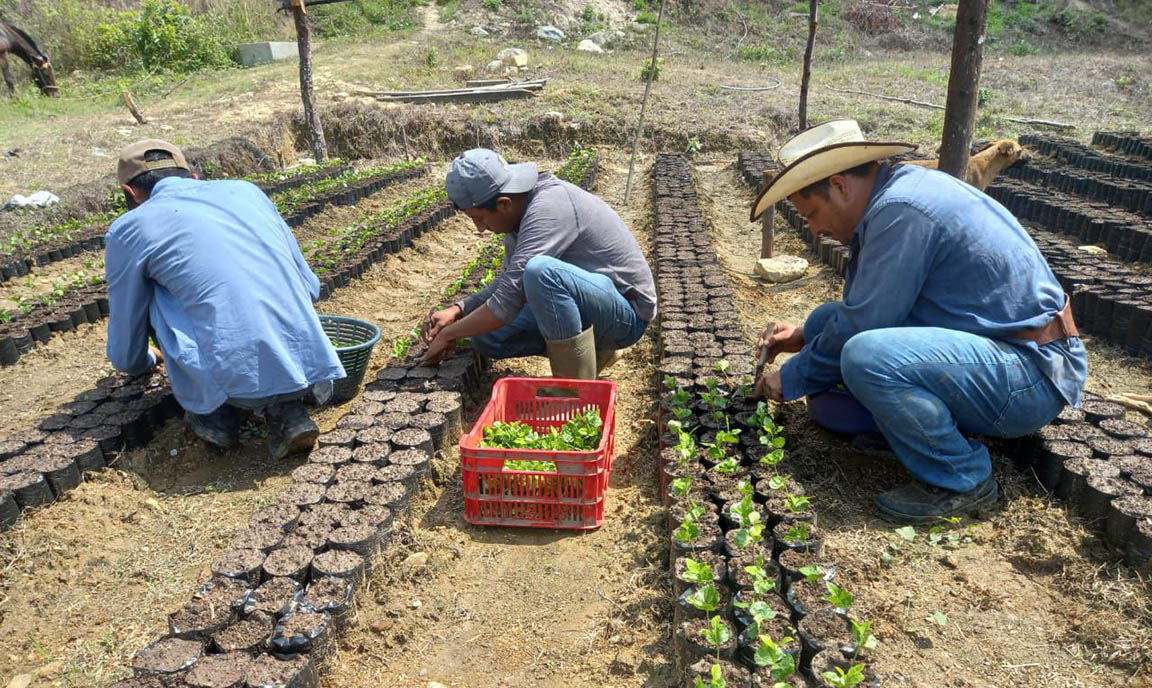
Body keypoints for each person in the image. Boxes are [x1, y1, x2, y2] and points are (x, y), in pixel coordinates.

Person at [749, 120, 1088, 524]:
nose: (815, 229)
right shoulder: (899, 194)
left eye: (812, 214)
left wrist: (790, 378)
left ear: (839, 186)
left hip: (1028, 376)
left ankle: (962, 478)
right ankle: (912, 437)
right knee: (825, 320)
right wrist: (804, 336)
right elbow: (864, 310)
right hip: (1005, 355)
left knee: (864, 356)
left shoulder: (901, 211)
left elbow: (863, 326)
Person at [105, 140, 345, 459]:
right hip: (312, 370)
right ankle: (286, 410)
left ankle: (217, 415)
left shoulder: (129, 228)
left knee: (155, 294)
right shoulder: (247, 191)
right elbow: (310, 286)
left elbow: (126, 339)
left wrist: (142, 362)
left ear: (130, 192)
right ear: (193, 177)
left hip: (234, 382)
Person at [420, 148, 657, 378]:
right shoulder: (518, 214)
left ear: (504, 204)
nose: (480, 228)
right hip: (586, 303)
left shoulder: (549, 208)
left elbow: (506, 302)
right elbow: (509, 282)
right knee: (485, 336)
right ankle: (594, 351)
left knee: (540, 272)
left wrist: (449, 334)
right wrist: (459, 310)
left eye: (479, 218)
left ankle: (573, 386)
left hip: (625, 316)